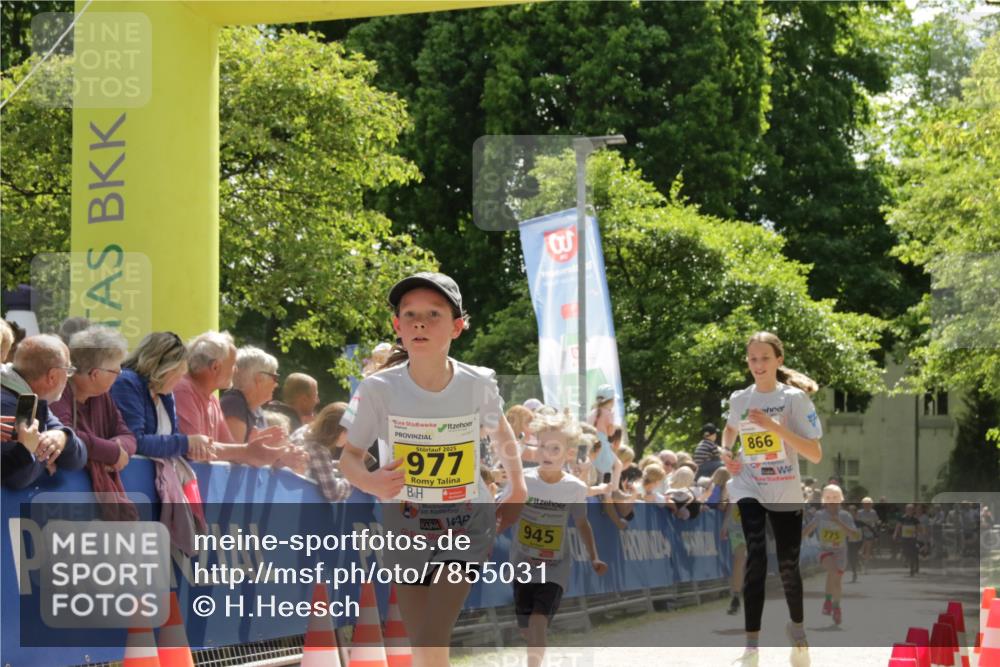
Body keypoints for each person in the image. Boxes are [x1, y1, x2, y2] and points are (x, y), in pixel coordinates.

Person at [338, 271, 526, 667]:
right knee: (421, 636)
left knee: (432, 630)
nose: (419, 323)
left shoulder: (478, 383)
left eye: (434, 314)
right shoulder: (378, 389)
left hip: (466, 520)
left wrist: (518, 487)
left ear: (458, 327)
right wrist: (372, 481)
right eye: (409, 315)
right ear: (397, 327)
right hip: (406, 523)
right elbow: (349, 457)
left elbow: (501, 433)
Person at [722, 331, 823, 667]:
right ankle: (751, 646)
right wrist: (728, 455)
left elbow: (816, 454)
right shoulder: (740, 399)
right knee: (756, 556)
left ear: (778, 360)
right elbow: (730, 432)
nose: (758, 365)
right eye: (752, 359)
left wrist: (774, 427)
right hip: (749, 484)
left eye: (765, 358)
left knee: (788, 566)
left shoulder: (794, 399)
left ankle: (797, 630)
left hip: (784, 488)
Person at [508, 410, 607, 667]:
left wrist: (594, 556)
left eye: (555, 449)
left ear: (569, 453)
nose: (547, 454)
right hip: (522, 564)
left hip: (554, 568)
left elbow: (582, 522)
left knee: (538, 621)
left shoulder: (574, 488)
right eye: (542, 447)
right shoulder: (523, 481)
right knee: (527, 629)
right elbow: (502, 513)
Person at [174, 331, 303, 471]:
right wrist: (248, 450)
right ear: (215, 367)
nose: (236, 370)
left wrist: (267, 451)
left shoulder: (212, 399)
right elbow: (196, 450)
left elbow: (230, 447)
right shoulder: (183, 390)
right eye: (233, 364)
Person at [50, 326, 137, 520]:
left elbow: (127, 434)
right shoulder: (59, 390)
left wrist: (117, 449)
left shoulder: (102, 396)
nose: (119, 374)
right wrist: (111, 453)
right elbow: (66, 435)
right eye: (116, 370)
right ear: (96, 374)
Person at [109, 332, 215, 461]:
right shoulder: (126, 382)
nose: (179, 379)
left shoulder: (166, 394)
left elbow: (169, 442)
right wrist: (187, 442)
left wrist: (190, 451)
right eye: (177, 373)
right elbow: (135, 441)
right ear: (163, 368)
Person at [1, 334, 87, 488]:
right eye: (68, 370)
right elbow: (17, 477)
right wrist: (38, 456)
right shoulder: (8, 403)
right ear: (52, 376)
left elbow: (78, 459)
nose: (68, 378)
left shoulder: (30, 398)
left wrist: (63, 437)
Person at [802, 484, 859, 625]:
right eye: (828, 498)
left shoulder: (845, 516)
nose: (832, 501)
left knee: (836, 579)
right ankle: (829, 602)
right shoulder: (820, 515)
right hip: (825, 551)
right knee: (832, 571)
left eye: (835, 498)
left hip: (840, 552)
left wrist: (839, 522)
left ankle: (834, 605)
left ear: (840, 499)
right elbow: (809, 529)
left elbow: (854, 535)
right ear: (824, 500)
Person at [221, 346, 281, 443]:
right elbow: (234, 455)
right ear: (259, 378)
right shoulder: (234, 404)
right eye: (274, 377)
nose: (276, 384)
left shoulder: (256, 408)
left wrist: (283, 455)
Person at [893, 503, 923, 576]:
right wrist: (895, 534)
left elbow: (920, 528)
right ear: (906, 510)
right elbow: (898, 526)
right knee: (906, 551)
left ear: (913, 511)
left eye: (911, 509)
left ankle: (912, 569)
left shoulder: (915, 519)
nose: (909, 511)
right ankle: (907, 561)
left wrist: (919, 533)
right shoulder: (902, 518)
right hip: (904, 538)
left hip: (912, 538)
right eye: (908, 509)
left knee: (913, 553)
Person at [857, 497, 880, 572]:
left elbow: (876, 521)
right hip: (861, 532)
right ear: (863, 505)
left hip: (870, 532)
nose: (867, 505)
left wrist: (877, 524)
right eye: (865, 504)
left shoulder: (873, 512)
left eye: (869, 504)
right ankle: (860, 560)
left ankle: (866, 565)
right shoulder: (859, 512)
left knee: (868, 548)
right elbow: (857, 521)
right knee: (861, 548)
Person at [846, 504, 863, 583]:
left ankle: (859, 563)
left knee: (856, 555)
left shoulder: (859, 522)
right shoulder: (845, 521)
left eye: (852, 511)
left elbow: (868, 528)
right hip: (850, 542)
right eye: (849, 511)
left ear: (856, 513)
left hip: (858, 542)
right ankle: (854, 572)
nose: (850, 513)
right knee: (851, 557)